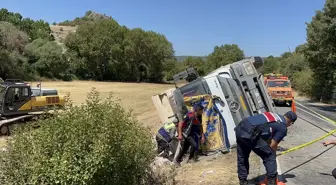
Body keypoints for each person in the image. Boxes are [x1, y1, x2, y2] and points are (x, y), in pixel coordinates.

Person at [235, 111, 297, 185]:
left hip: (241, 127)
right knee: (270, 156)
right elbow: (272, 145)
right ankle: (271, 181)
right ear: (290, 122)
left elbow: (264, 130)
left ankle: (242, 181)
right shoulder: (282, 127)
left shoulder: (274, 114)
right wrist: (273, 152)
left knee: (242, 156)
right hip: (251, 132)